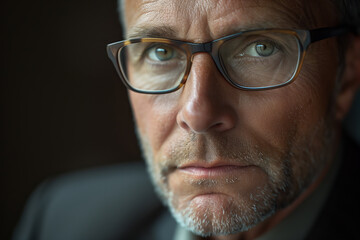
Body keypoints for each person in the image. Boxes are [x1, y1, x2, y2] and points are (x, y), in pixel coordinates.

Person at [13, 0, 360, 239]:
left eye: (260, 48)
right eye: (159, 51)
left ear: (346, 73)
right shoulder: (61, 221)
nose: (197, 113)